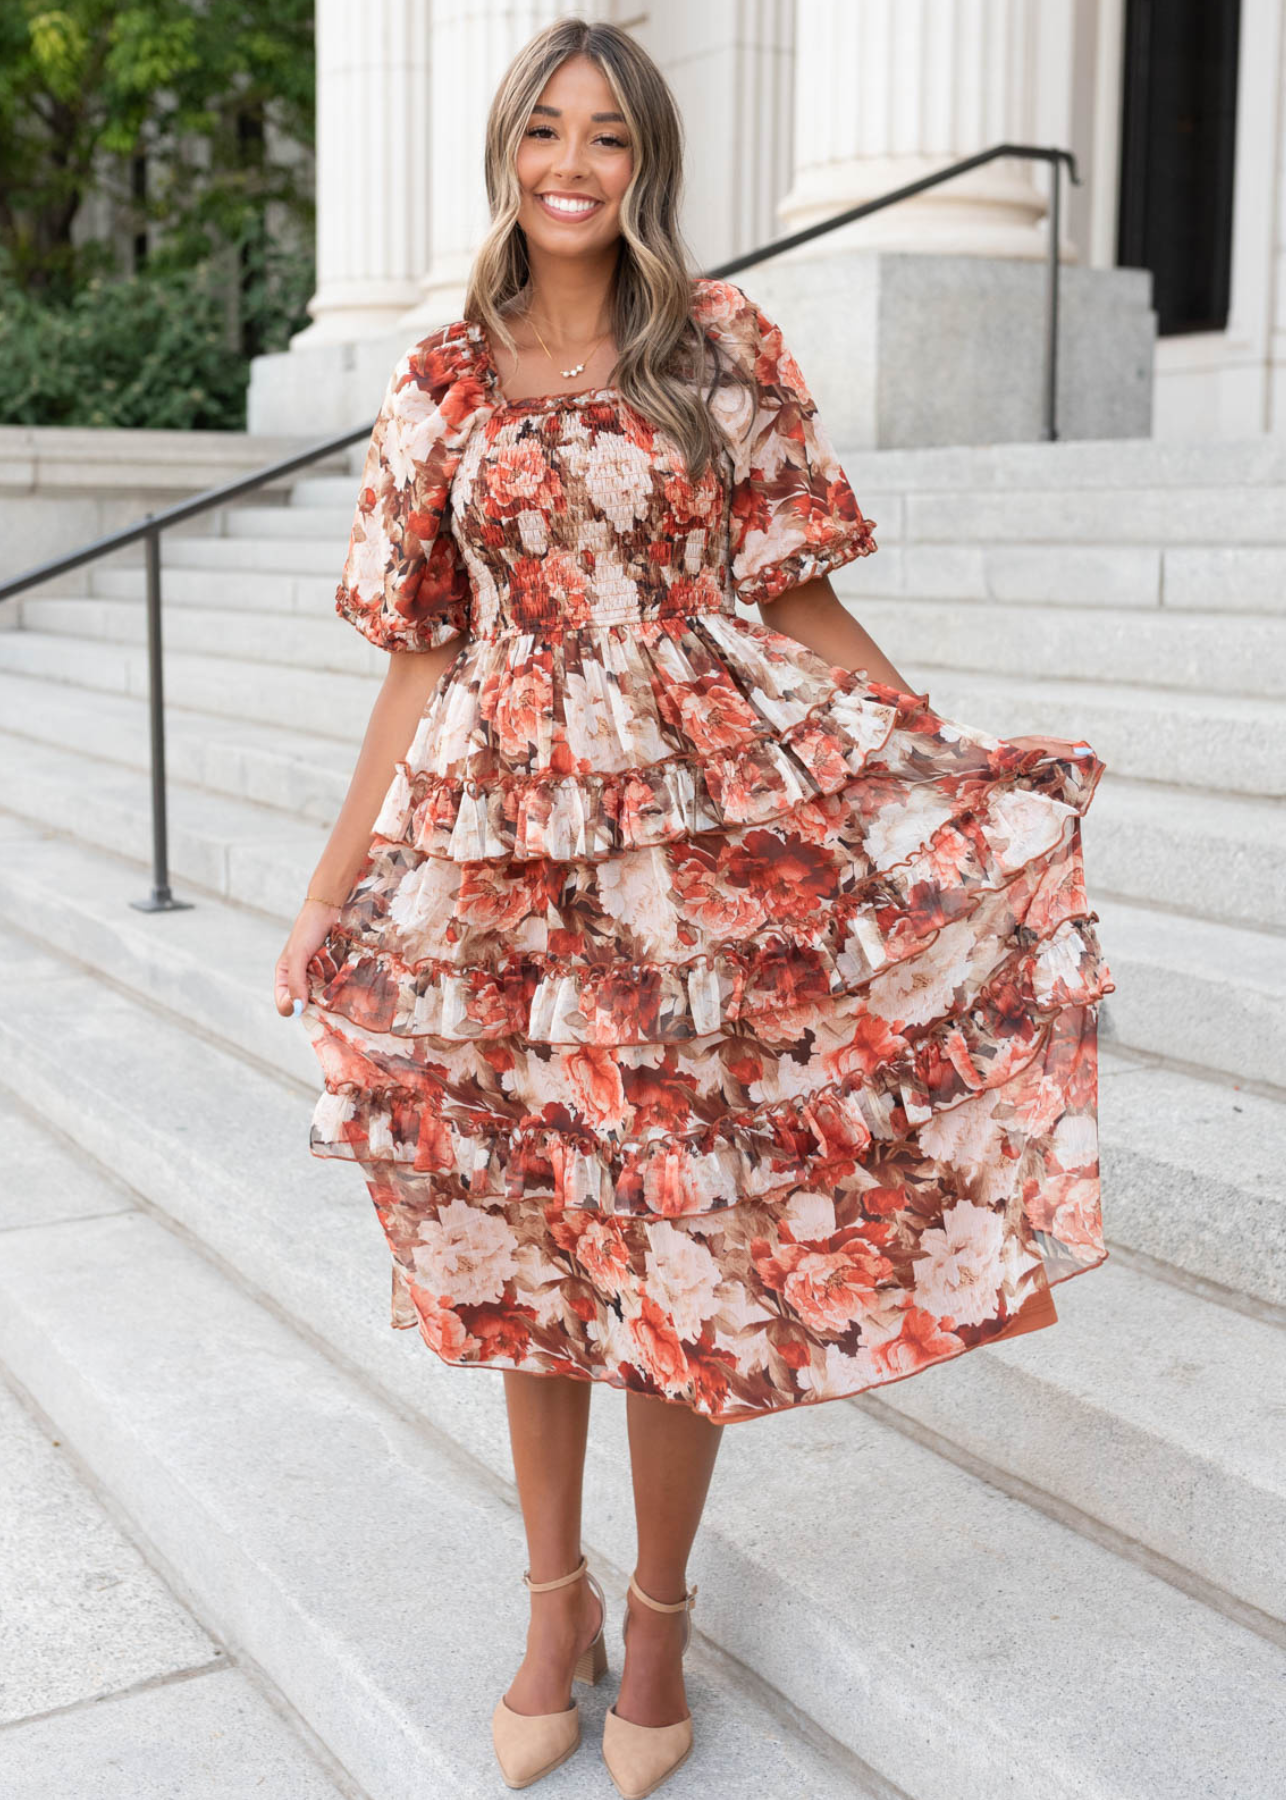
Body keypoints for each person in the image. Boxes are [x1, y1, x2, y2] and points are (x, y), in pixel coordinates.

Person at [273, 16, 1113, 1797]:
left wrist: (926, 762)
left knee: (676, 1234)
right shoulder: (435, 382)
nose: (571, 168)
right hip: (501, 862)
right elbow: (424, 652)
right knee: (526, 1239)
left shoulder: (714, 348)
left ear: (647, 165)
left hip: (694, 858)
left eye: (607, 141)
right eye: (543, 136)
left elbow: (794, 597)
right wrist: (332, 885)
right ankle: (548, 1601)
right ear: (503, 153)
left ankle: (655, 1612)